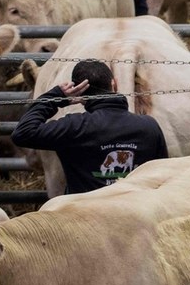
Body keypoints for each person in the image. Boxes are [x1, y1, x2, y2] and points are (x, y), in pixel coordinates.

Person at [11, 59, 168, 195]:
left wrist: (55, 97)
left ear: (79, 95)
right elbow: (164, 174)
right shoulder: (149, 126)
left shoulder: (73, 127)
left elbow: (23, 133)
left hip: (85, 221)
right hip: (137, 218)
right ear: (115, 84)